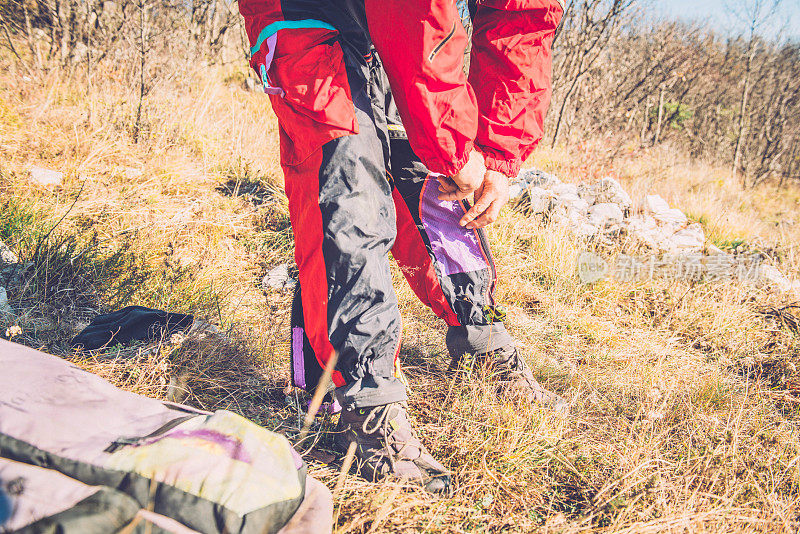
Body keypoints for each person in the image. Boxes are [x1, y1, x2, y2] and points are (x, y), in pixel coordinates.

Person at [239, 0, 566, 494]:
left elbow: (521, 22)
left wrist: (497, 152)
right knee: (348, 187)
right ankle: (367, 405)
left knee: (437, 189)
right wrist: (453, 147)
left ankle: (481, 338)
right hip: (306, 11)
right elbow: (413, 13)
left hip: (407, 28)